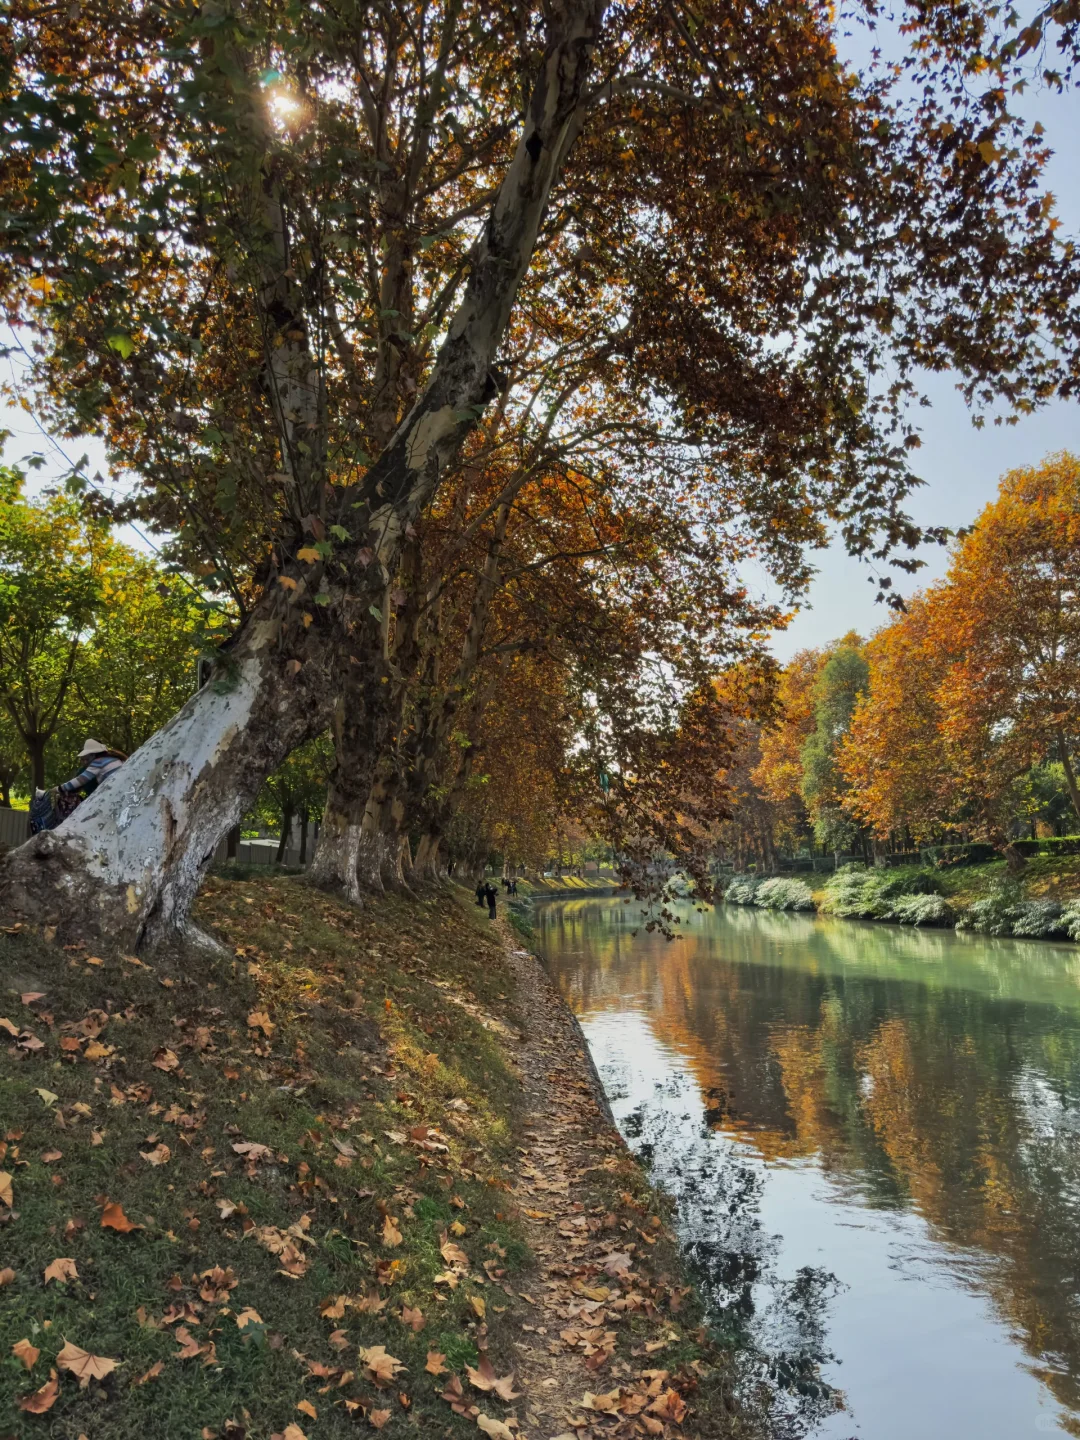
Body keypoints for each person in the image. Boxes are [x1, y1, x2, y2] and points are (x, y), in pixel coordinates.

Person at [59, 739, 127, 797]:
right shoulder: (114, 758)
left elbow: (80, 780)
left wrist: (59, 788)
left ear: (93, 755)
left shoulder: (98, 762)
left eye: (87, 758)